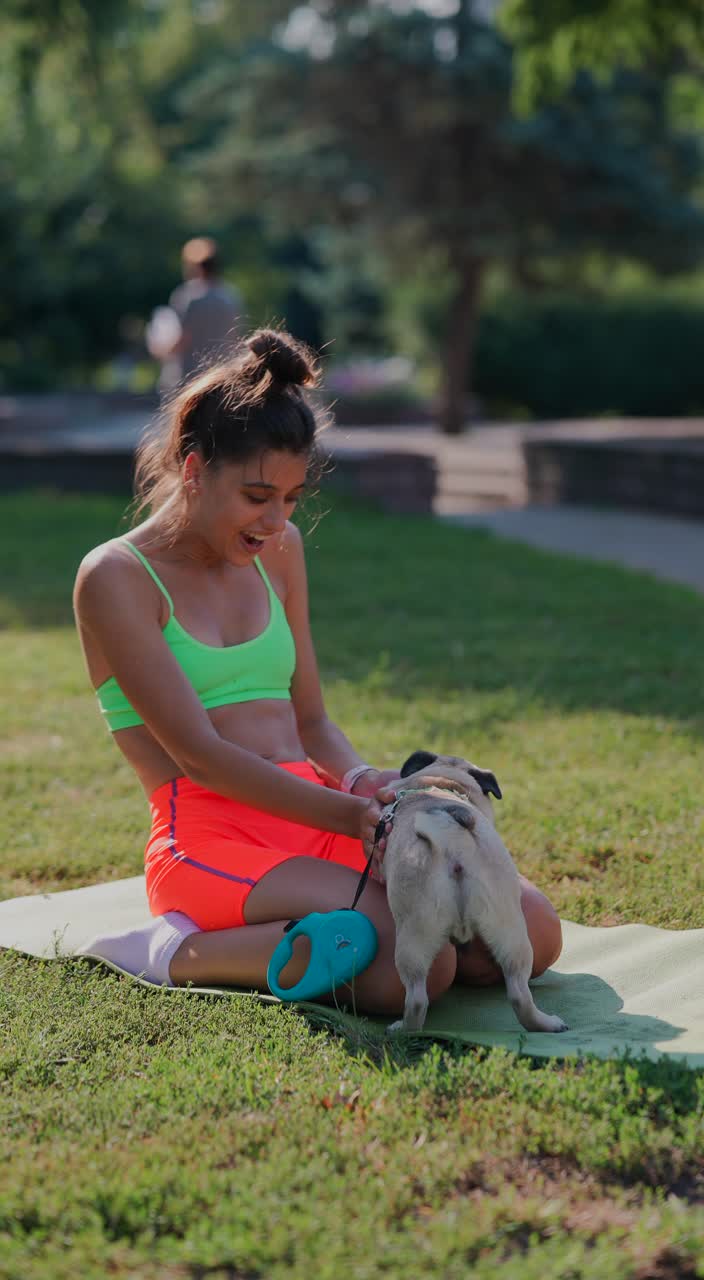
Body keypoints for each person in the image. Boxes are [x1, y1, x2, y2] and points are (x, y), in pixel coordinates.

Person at [73, 329, 562, 1016]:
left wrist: (366, 783)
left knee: (531, 933)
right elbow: (201, 757)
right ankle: (173, 951)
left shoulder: (280, 551)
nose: (275, 521)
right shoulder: (116, 577)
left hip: (318, 810)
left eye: (292, 498)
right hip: (212, 836)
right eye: (256, 496)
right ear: (193, 469)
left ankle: (311, 932)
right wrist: (355, 815)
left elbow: (311, 722)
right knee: (419, 965)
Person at [146, 237, 244, 391]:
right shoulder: (231, 296)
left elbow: (183, 340)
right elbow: (235, 338)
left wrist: (159, 349)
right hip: (223, 377)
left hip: (190, 379)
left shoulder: (189, 296)